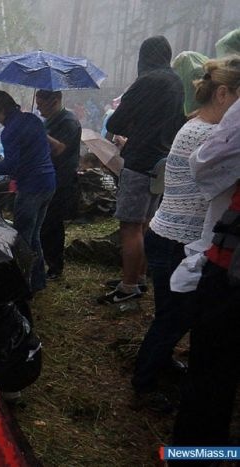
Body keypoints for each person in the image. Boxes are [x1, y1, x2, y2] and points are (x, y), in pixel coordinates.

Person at [131, 57, 240, 411]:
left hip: (168, 233)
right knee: (176, 317)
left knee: (170, 313)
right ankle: (144, 383)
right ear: (223, 94)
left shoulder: (196, 126)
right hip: (177, 239)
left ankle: (158, 365)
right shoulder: (211, 136)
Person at [171, 61, 240, 450]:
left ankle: (197, 450)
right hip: (216, 252)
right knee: (212, 367)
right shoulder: (205, 131)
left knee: (212, 370)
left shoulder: (214, 131)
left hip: (221, 258)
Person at [98, 36, 185, 304]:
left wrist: (132, 132)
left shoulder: (146, 81)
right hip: (162, 161)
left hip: (139, 160)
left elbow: (118, 121)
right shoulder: (176, 82)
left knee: (130, 225)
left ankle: (128, 286)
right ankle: (140, 275)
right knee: (147, 222)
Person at [0, 90, 56, 293]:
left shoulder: (10, 131)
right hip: (49, 182)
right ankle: (37, 281)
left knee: (22, 239)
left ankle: (22, 285)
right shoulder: (33, 120)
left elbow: (11, 166)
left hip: (31, 187)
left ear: (1, 110)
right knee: (34, 235)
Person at [35, 90, 82, 280]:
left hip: (61, 180)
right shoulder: (50, 120)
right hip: (45, 178)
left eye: (41, 103)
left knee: (52, 224)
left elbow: (60, 148)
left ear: (54, 101)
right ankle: (46, 261)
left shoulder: (68, 121)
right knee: (43, 223)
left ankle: (55, 266)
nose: (37, 108)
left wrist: (38, 132)